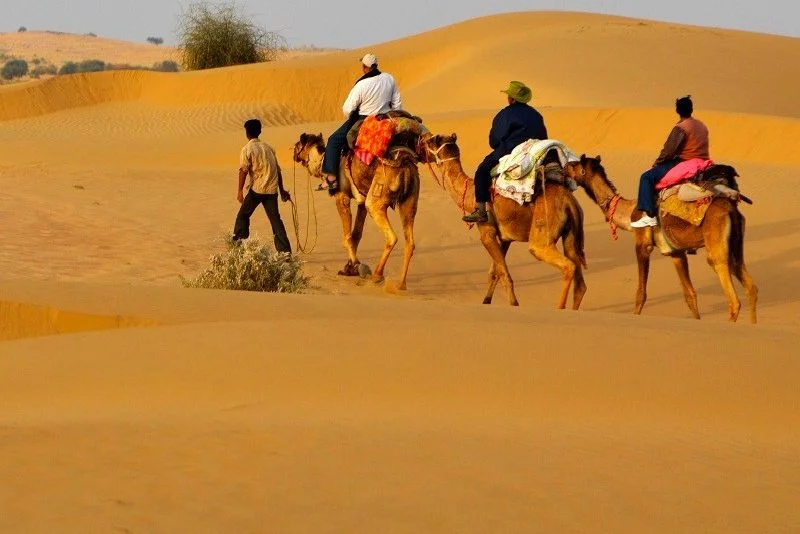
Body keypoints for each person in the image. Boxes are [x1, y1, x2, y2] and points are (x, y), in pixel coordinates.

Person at [462, 81, 548, 223]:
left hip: (510, 150)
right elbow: (543, 137)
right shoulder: (536, 115)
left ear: (512, 98)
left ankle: (481, 211)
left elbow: (494, 141)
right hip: (536, 151)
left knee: (482, 172)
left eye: (509, 95)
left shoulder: (505, 114)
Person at [322, 53, 402, 192]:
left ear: (364, 67)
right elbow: (397, 104)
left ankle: (332, 180)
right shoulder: (389, 78)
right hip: (387, 117)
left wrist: (354, 115)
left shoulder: (362, 84)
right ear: (376, 65)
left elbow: (347, 109)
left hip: (364, 119)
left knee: (333, 141)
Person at [631, 95, 710, 228]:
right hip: (704, 162)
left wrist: (657, 164)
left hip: (686, 162)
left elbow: (669, 151)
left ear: (677, 111)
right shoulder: (701, 125)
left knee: (646, 177)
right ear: (691, 109)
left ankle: (649, 216)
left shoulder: (681, 128)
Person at [232, 119, 292, 255]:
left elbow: (243, 170)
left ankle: (238, 246)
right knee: (276, 220)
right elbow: (277, 170)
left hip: (257, 190)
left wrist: (240, 191)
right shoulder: (269, 147)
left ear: (246, 133)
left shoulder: (247, 149)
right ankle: (285, 252)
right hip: (271, 190)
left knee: (243, 215)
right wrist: (282, 191)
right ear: (259, 131)